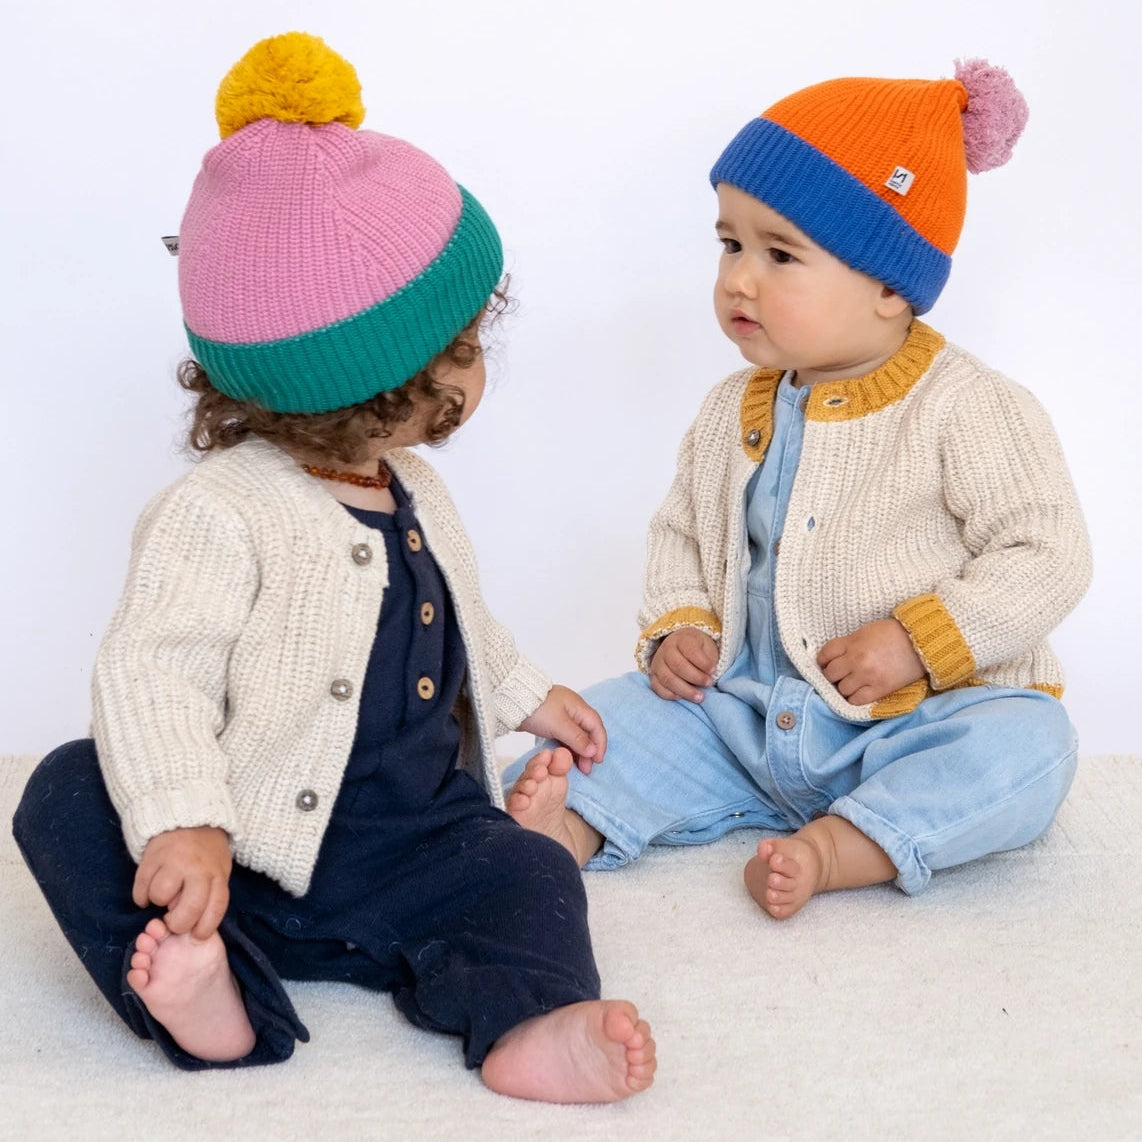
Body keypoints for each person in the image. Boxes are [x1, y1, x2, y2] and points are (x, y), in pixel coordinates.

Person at [11, 32, 655, 1103]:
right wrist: (183, 818)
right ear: (364, 378)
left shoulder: (414, 491)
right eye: (457, 350)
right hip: (247, 857)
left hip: (417, 844)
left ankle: (527, 1022)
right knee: (66, 792)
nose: (476, 370)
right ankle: (217, 998)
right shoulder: (218, 512)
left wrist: (522, 693)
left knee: (531, 869)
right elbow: (152, 670)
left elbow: (460, 622)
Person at [506, 60, 1092, 920]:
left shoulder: (972, 408)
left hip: (906, 725)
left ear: (891, 284)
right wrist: (683, 627)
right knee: (590, 728)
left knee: (1033, 750)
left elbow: (1048, 554)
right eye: (730, 244)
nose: (740, 278)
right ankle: (565, 832)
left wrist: (919, 641)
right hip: (739, 717)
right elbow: (681, 533)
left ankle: (847, 843)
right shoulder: (728, 410)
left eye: (781, 254)